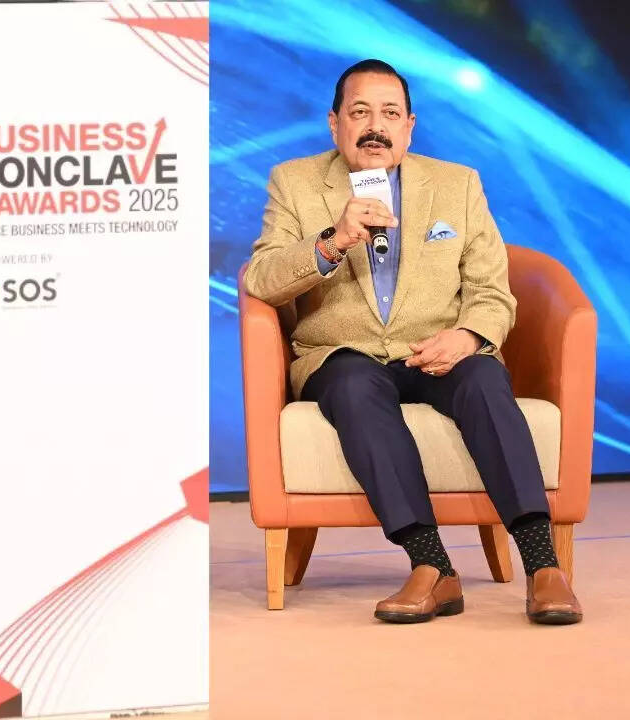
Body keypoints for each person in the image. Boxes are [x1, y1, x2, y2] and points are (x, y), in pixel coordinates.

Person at [242, 59, 581, 625]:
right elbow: (262, 279)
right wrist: (332, 240)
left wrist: (468, 335)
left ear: (410, 125)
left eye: (390, 113)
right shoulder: (294, 182)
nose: (375, 126)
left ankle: (544, 567)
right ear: (334, 124)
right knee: (353, 386)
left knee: (483, 378)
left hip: (437, 349)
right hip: (342, 355)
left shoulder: (457, 184)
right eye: (360, 112)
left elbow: (492, 291)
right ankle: (432, 566)